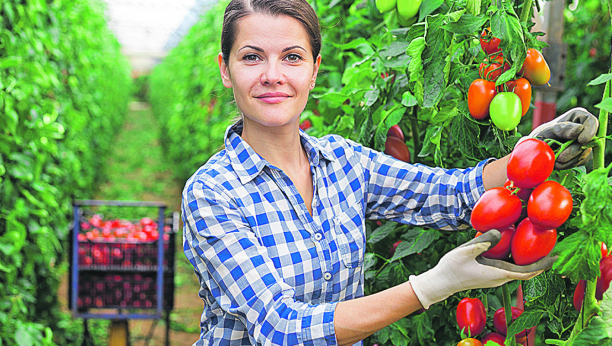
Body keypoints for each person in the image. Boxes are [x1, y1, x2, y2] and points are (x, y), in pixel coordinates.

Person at [181, 1, 599, 345]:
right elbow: (282, 328)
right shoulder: (212, 193)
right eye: (252, 57)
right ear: (225, 68)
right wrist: (433, 285)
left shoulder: (343, 163)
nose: (273, 75)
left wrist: (535, 152)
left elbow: (447, 194)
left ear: (313, 69)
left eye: (292, 57)